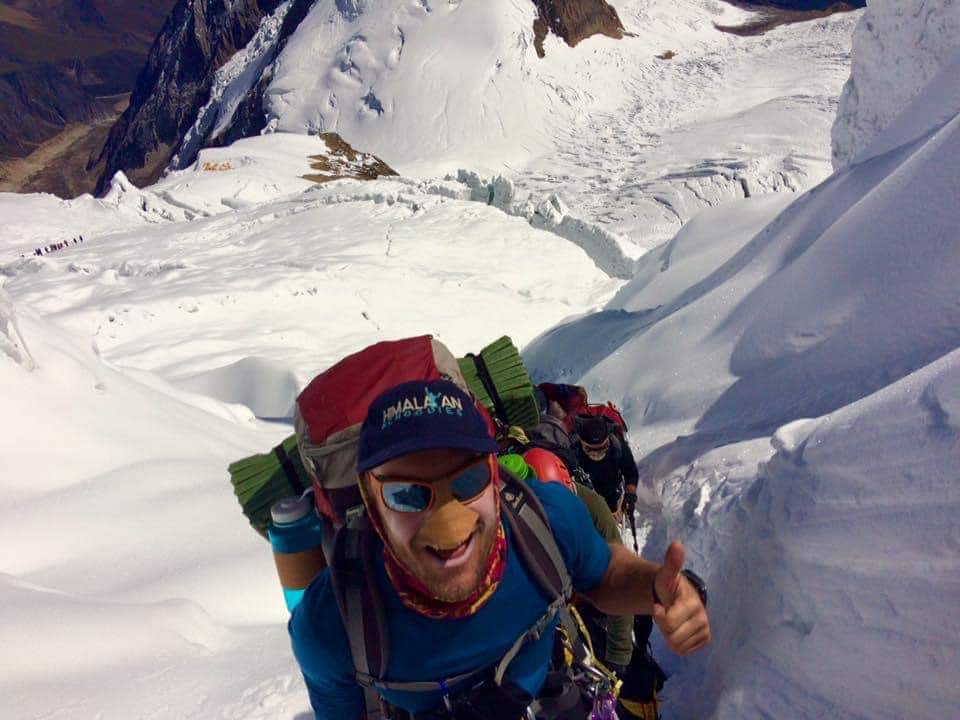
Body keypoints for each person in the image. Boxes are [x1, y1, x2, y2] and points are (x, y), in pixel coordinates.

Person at [289, 379, 710, 719]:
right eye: (407, 494)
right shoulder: (336, 621)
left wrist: (658, 588)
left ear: (494, 478)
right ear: (372, 503)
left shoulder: (546, 520)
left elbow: (603, 574)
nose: (449, 527)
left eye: (467, 481)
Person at [574, 416, 639, 515]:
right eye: (590, 450)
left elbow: (630, 471)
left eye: (602, 448)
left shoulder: (617, 445)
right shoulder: (573, 450)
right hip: (585, 493)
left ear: (608, 440)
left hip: (611, 490)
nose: (596, 454)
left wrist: (630, 494)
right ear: (582, 443)